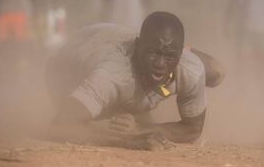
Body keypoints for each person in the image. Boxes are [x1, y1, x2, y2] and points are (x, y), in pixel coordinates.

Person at [46, 12, 215, 150]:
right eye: (154, 53)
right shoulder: (113, 74)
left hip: (110, 37)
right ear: (138, 45)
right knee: (103, 122)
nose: (160, 64)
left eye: (170, 56)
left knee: (216, 73)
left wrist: (139, 128)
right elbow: (60, 126)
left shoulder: (191, 68)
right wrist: (127, 141)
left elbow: (192, 129)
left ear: (180, 53)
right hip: (67, 64)